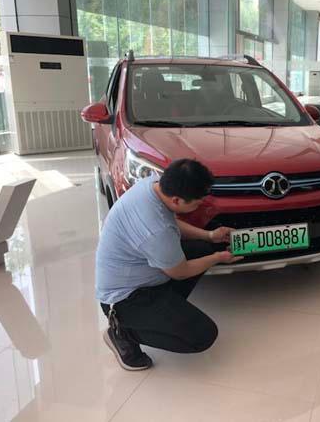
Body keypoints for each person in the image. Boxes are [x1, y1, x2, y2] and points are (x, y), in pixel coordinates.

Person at [96, 159, 242, 371]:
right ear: (176, 200)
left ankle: (165, 313)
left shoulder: (152, 185)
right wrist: (218, 257)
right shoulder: (155, 230)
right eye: (197, 202)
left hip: (145, 275)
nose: (200, 204)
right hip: (124, 300)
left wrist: (210, 236)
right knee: (202, 335)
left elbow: (170, 222)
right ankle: (122, 332)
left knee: (202, 248)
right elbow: (180, 272)